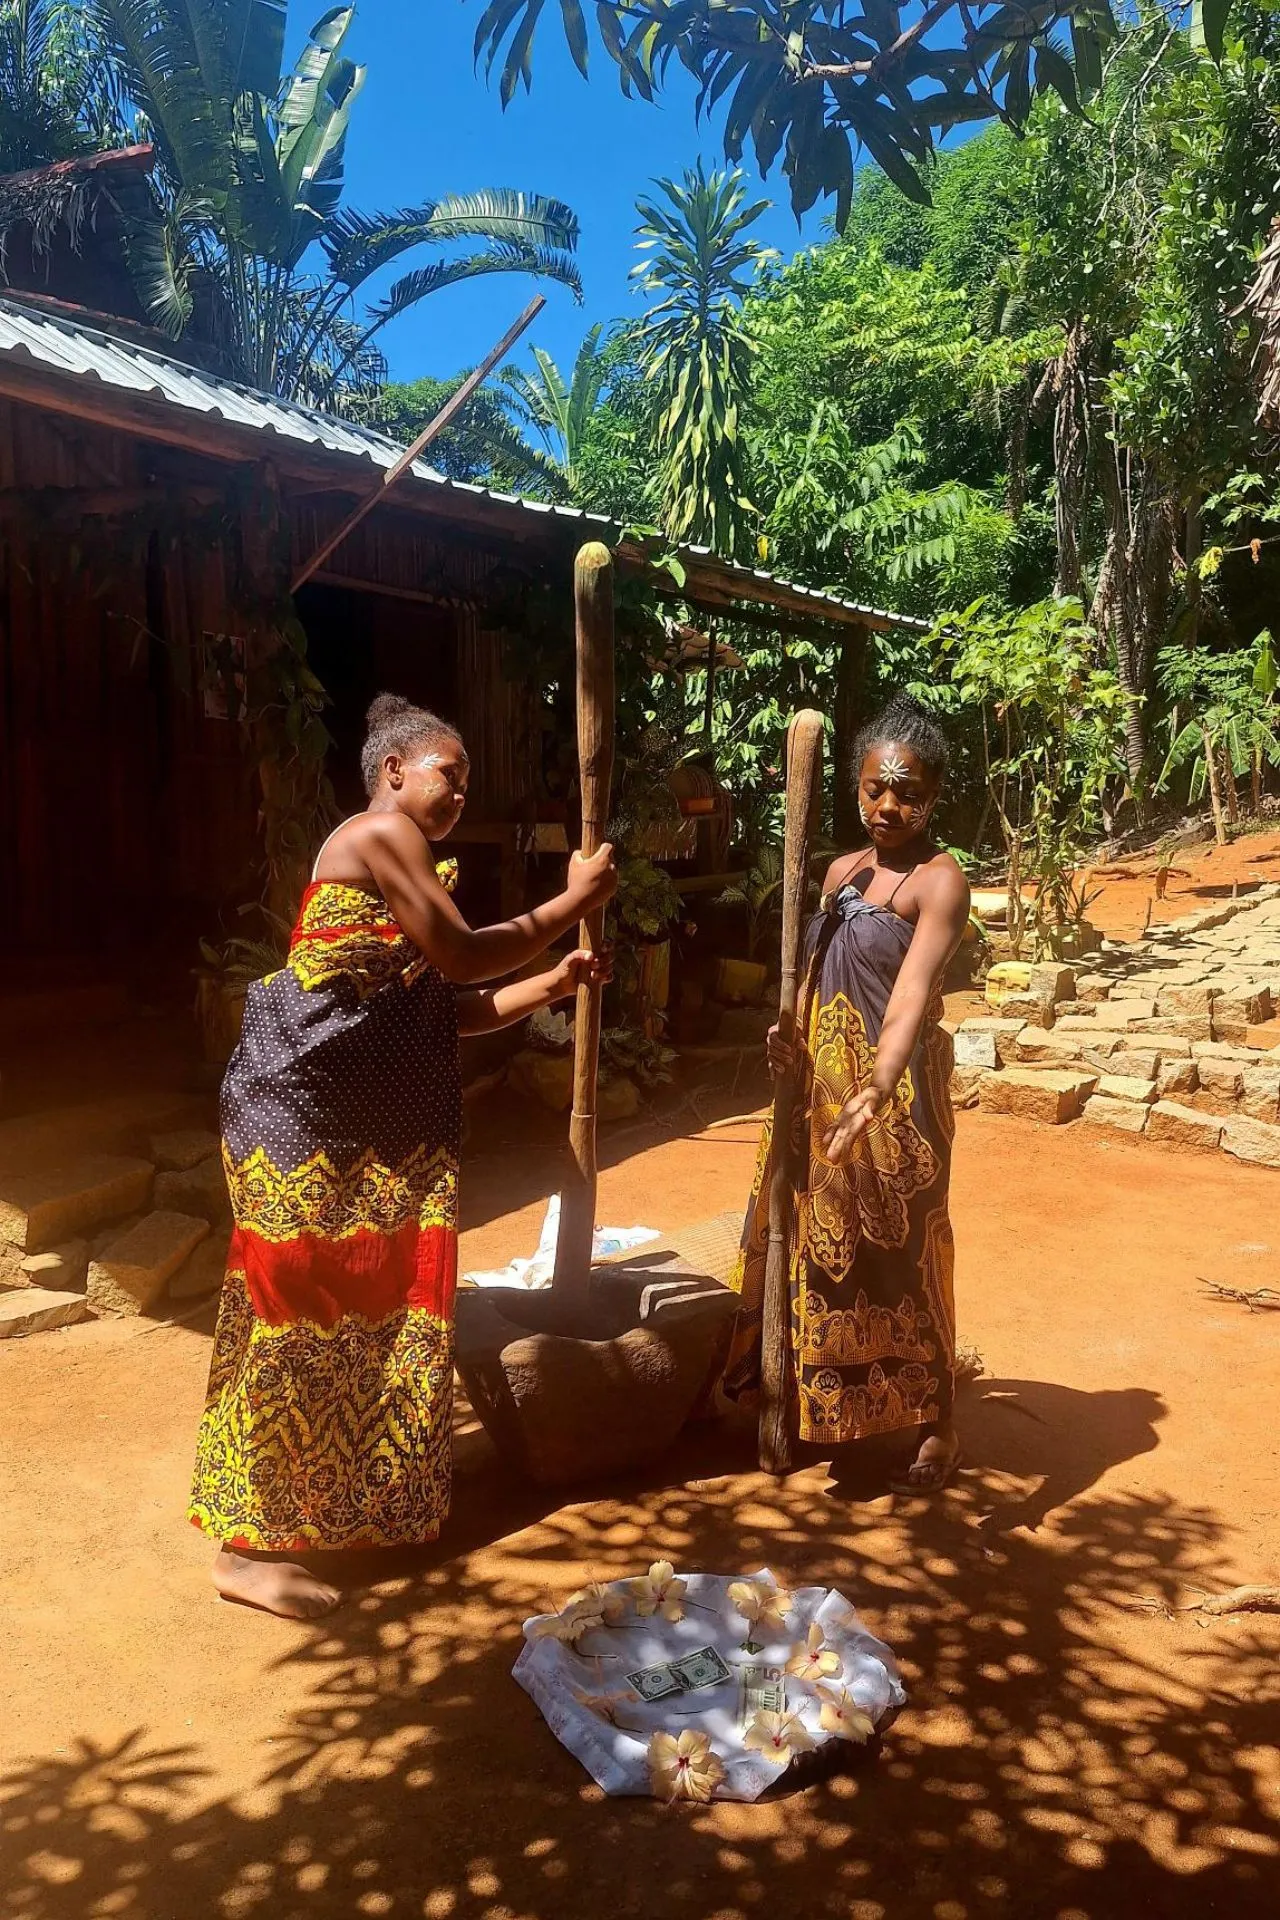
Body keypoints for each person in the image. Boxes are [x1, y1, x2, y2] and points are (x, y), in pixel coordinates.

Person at [189, 692, 616, 1618]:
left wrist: (552, 976)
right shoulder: (380, 835)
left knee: (366, 1315)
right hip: (298, 1121)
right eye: (446, 774)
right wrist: (571, 903)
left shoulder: (405, 873)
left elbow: (446, 1011)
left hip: (364, 1131)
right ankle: (244, 1547)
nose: (459, 793)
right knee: (292, 1313)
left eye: (466, 782)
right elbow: (463, 958)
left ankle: (339, 1513)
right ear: (393, 773)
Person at [724, 693, 970, 1492]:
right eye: (874, 788)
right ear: (856, 787)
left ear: (933, 798)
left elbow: (907, 999)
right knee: (815, 1249)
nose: (888, 805)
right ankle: (811, 1403)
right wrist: (784, 1031)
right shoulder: (839, 871)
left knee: (902, 1254)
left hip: (894, 1105)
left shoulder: (940, 884)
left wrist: (880, 1084)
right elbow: (809, 976)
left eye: (907, 791)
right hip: (817, 1096)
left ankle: (938, 1420)